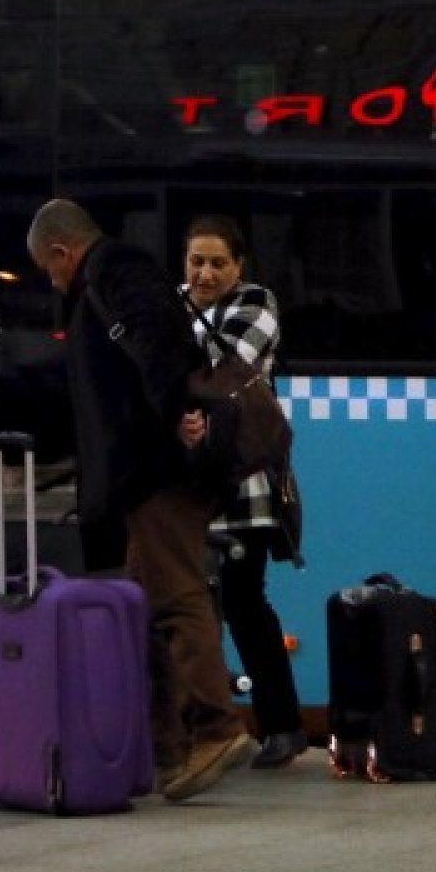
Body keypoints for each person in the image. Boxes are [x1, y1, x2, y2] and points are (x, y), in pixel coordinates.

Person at [26, 197, 254, 802]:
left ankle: (215, 727)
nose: (53, 282)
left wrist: (174, 413)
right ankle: (164, 743)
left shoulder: (118, 272)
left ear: (61, 251)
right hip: (141, 473)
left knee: (175, 597)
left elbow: (160, 345)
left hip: (156, 471)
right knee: (145, 609)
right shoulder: (109, 279)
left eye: (49, 270)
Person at [181, 214, 308, 770]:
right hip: (190, 487)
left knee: (244, 604)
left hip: (245, 486)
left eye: (217, 263)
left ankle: (282, 725)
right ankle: (199, 727)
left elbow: (222, 363)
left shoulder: (257, 303)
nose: (205, 274)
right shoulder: (175, 304)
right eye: (196, 262)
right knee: (188, 609)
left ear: (238, 266)